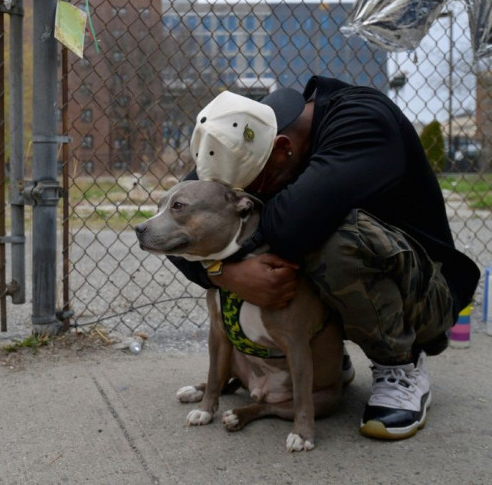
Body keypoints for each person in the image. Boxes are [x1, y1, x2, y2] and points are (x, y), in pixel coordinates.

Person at [169, 76, 480, 441]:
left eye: (256, 189)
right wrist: (225, 273)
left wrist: (228, 247)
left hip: (427, 294)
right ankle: (328, 362)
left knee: (335, 238)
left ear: (283, 149)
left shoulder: (363, 122)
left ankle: (400, 364)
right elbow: (184, 228)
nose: (248, 200)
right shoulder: (249, 132)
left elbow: (291, 225)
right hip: (355, 293)